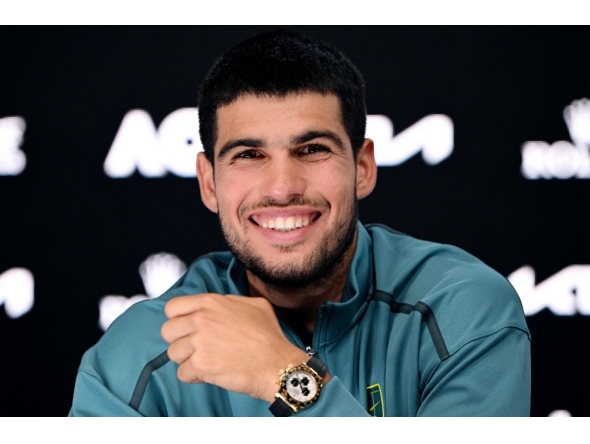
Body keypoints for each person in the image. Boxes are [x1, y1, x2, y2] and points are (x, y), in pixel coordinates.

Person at [69, 30, 531, 417]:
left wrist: (285, 375)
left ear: (363, 167)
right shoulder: (141, 353)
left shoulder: (465, 310)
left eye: (312, 150)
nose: (282, 187)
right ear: (209, 183)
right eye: (249, 155)